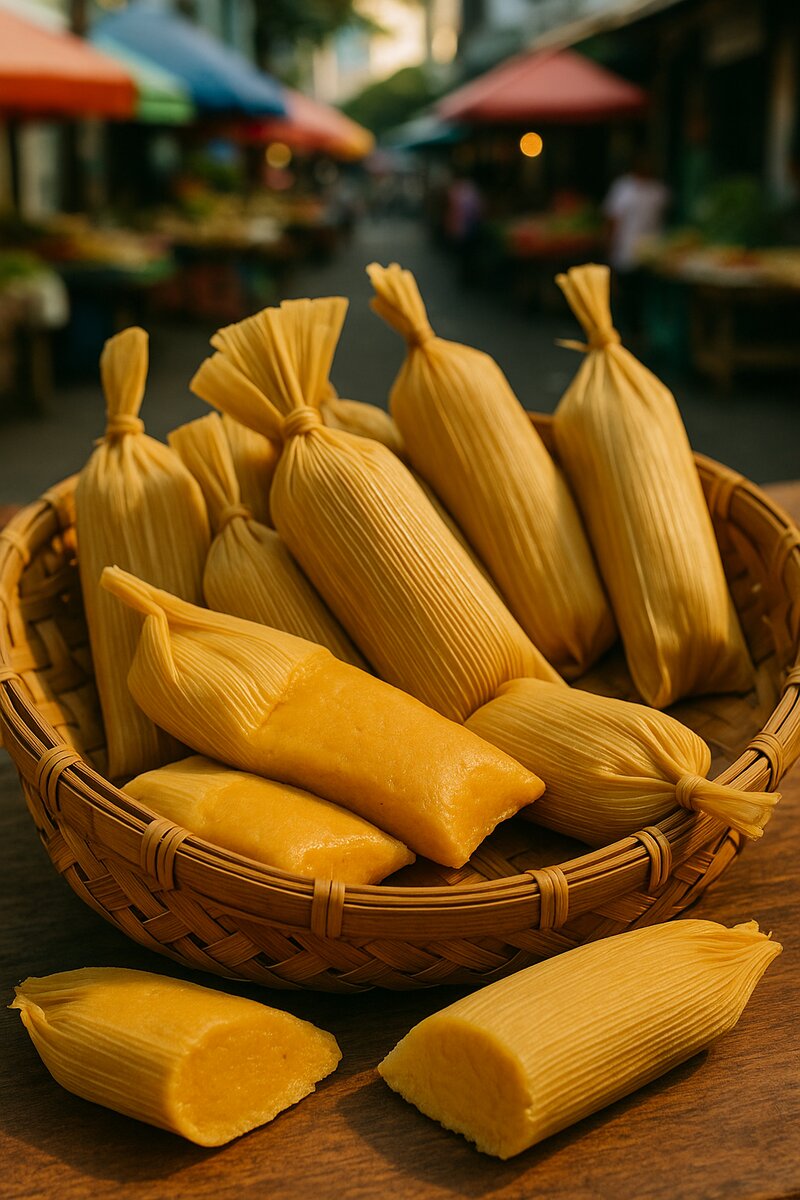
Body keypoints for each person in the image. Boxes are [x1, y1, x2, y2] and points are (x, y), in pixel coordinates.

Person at [603, 152, 670, 335]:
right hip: (625, 255)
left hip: (652, 257)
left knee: (647, 301)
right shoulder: (623, 188)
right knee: (626, 301)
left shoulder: (659, 191)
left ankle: (646, 337)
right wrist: (610, 251)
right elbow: (612, 222)